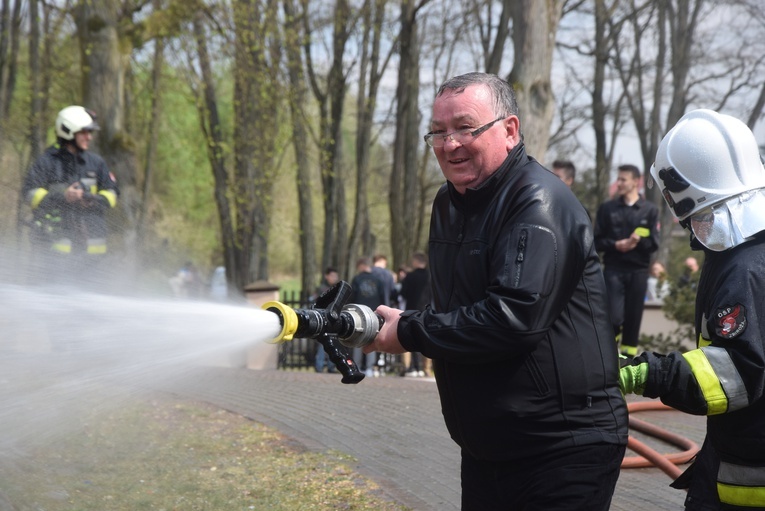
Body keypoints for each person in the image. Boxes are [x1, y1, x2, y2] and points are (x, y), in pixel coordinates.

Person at [364, 72, 627, 510]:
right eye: (439, 132)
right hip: (489, 447)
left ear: (510, 130)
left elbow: (513, 319)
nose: (450, 144)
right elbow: (454, 308)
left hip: (562, 447)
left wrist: (408, 332)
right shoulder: (449, 204)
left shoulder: (538, 201)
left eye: (466, 128)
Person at [620, 108, 765, 510]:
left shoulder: (745, 267)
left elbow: (735, 374)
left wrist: (646, 372)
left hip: (746, 484)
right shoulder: (748, 250)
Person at [22, 106, 119, 287]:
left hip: (92, 257)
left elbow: (113, 193)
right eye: (84, 132)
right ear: (68, 131)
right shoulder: (48, 162)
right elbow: (29, 193)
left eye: (89, 132)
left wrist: (92, 198)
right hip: (55, 254)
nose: (89, 137)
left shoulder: (96, 163)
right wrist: (62, 197)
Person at [594, 164, 660, 358]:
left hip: (638, 272)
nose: (619, 183)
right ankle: (607, 358)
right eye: (618, 179)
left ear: (635, 182)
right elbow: (596, 241)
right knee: (613, 318)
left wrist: (638, 242)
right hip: (613, 270)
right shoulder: (607, 209)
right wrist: (616, 245)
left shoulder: (649, 211)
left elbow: (654, 244)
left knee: (633, 321)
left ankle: (627, 363)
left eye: (623, 179)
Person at [349, 257, 385, 377]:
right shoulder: (378, 280)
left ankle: (357, 366)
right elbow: (382, 296)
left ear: (360, 266)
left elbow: (352, 296)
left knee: (357, 339)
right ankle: (370, 367)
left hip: (359, 314)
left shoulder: (357, 279)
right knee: (372, 339)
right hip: (373, 313)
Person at [399, 252, 431, 377]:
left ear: (416, 261)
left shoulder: (410, 276)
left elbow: (403, 293)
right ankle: (426, 368)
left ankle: (409, 367)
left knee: (408, 337)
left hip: (411, 310)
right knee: (426, 339)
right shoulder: (431, 276)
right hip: (427, 310)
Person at [314, 267, 340, 373]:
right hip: (323, 319)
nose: (334, 278)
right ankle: (319, 366)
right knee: (322, 344)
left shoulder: (338, 289)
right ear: (326, 276)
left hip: (333, 320)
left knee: (333, 343)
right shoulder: (321, 289)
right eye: (332, 275)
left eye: (336, 276)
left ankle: (331, 366)